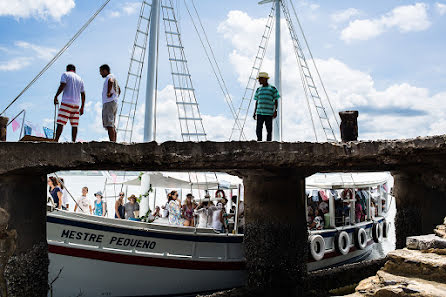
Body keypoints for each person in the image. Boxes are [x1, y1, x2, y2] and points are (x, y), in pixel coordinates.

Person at [54, 64, 86, 142]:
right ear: (74, 70)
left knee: (60, 122)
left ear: (67, 69)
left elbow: (62, 85)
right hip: (76, 104)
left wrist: (56, 96)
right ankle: (73, 141)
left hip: (66, 102)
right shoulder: (80, 78)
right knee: (74, 124)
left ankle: (56, 141)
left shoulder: (65, 74)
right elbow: (83, 93)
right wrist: (82, 107)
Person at [252, 72, 280, 141]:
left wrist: (275, 111)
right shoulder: (258, 90)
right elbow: (257, 101)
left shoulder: (273, 89)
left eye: (260, 79)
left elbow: (276, 100)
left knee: (269, 129)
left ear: (265, 79)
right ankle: (259, 140)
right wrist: (254, 112)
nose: (259, 81)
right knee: (258, 128)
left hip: (269, 112)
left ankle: (268, 142)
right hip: (259, 112)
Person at [99, 64, 121, 142]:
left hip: (109, 102)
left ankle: (112, 142)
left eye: (101, 71)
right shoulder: (114, 77)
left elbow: (110, 81)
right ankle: (114, 141)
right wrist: (115, 96)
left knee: (109, 124)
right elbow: (119, 89)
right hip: (114, 102)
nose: (100, 73)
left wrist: (108, 93)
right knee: (112, 124)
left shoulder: (109, 77)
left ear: (105, 71)